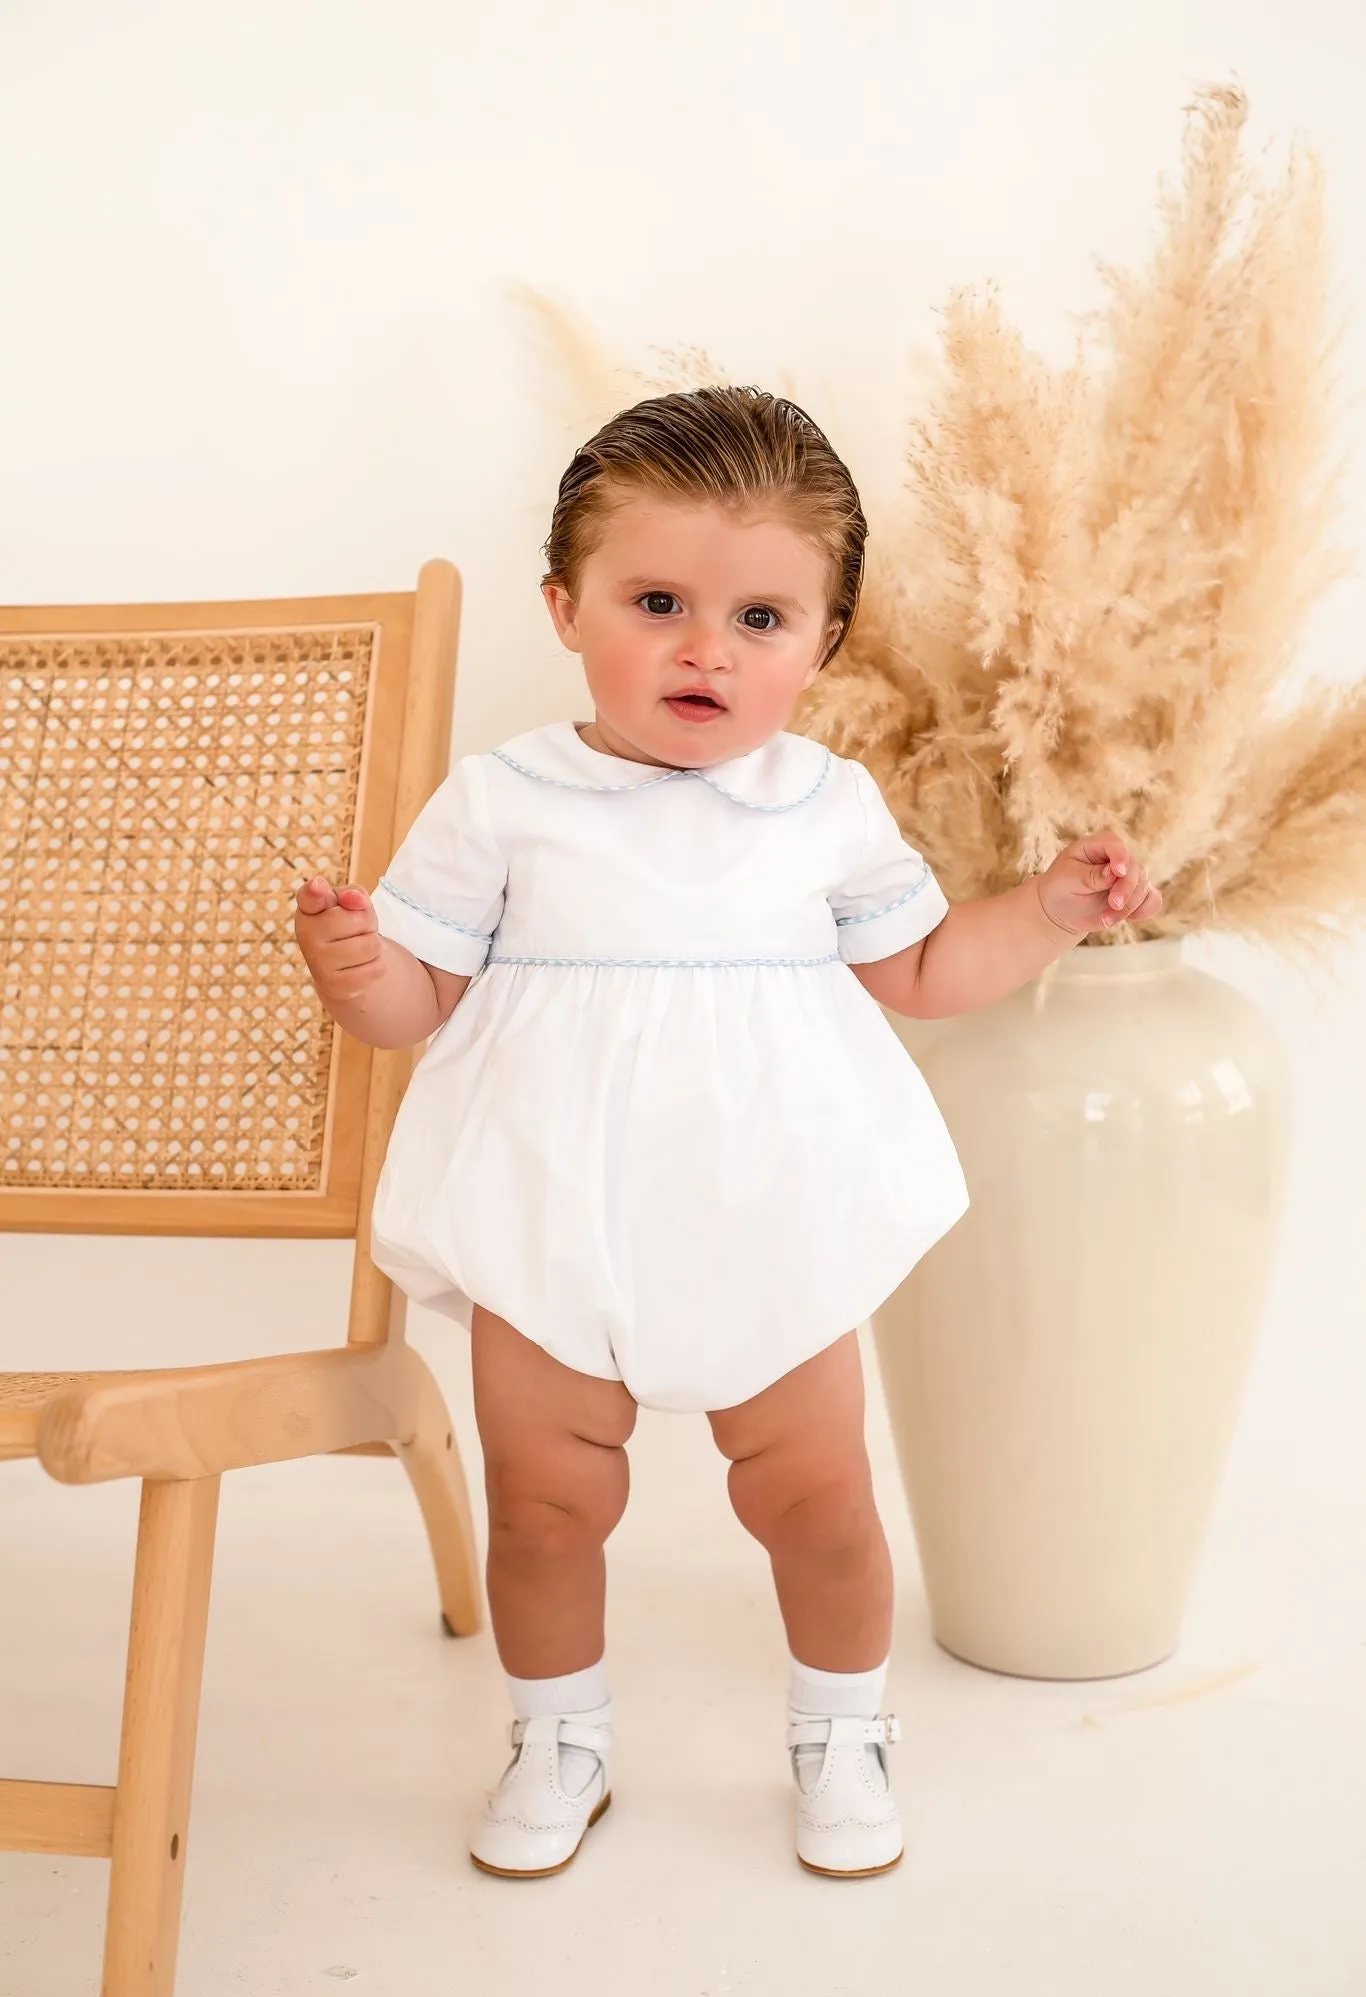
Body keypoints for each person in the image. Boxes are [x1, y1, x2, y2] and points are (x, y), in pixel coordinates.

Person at [294, 387, 1160, 1881]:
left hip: (768, 1212)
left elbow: (922, 974)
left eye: (761, 618)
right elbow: (414, 1007)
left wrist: (1049, 910)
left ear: (821, 643)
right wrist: (358, 966)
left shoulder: (824, 805)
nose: (708, 647)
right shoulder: (504, 800)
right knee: (550, 1502)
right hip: (553, 1203)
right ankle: (556, 1735)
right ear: (565, 609)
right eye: (657, 602)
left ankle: (841, 1730)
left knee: (815, 1500)